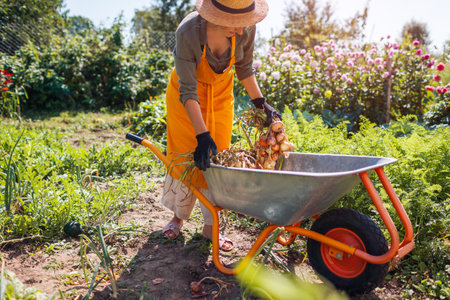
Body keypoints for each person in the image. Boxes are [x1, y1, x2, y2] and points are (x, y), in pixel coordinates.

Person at [161, 0, 281, 251]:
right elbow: (188, 90)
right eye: (232, 25)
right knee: (186, 153)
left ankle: (210, 227)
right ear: (213, 16)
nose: (239, 31)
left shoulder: (245, 28)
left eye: (242, 24)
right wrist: (201, 134)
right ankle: (178, 217)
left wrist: (261, 104)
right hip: (187, 99)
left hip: (220, 97)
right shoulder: (188, 32)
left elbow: (244, 68)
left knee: (217, 159)